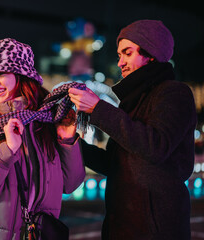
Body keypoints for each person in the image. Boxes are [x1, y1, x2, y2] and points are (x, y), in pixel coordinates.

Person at [69, 19, 197, 239]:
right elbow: (115, 164)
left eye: (127, 53)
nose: (120, 63)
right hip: (122, 226)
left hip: (156, 231)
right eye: (119, 55)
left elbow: (155, 146)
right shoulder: (132, 102)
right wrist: (71, 141)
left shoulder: (174, 93)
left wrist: (98, 109)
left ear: (151, 54)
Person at [0, 38, 85, 240]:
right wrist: (7, 150)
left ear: (22, 75)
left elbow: (70, 184)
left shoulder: (46, 119)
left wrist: (67, 139)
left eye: (2, 73)